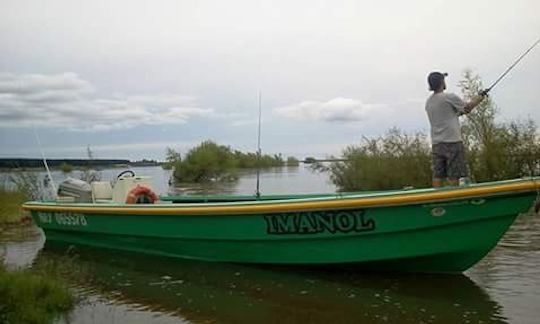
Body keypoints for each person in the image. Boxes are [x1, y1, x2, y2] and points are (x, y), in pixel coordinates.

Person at [425, 71, 488, 187]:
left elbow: (452, 114)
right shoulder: (449, 97)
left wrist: (461, 111)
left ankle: (436, 199)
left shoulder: (428, 102)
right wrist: (480, 97)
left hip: (436, 143)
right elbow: (467, 108)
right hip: (452, 142)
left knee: (438, 175)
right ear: (441, 82)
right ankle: (454, 198)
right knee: (454, 174)